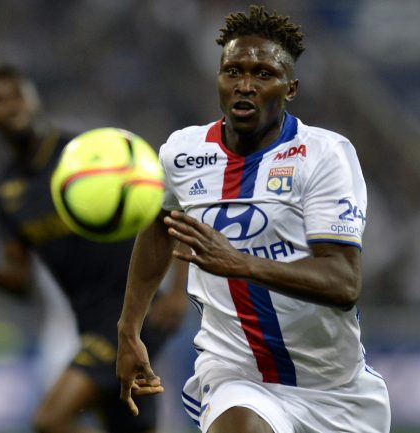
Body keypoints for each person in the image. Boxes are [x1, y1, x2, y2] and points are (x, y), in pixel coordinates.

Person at [115, 6, 390, 433]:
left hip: (334, 389)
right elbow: (158, 229)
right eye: (233, 71)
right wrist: (130, 327)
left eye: (264, 74)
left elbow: (343, 282)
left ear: (290, 88)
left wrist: (241, 264)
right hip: (235, 374)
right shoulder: (181, 154)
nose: (245, 85)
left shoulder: (323, 155)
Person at [0, 64, 189, 433]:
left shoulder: (84, 153)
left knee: (51, 420)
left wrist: (178, 291)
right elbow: (22, 282)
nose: (9, 106)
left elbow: (165, 205)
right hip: (91, 322)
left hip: (133, 313)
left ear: (34, 100)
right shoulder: (7, 190)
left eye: (16, 95)